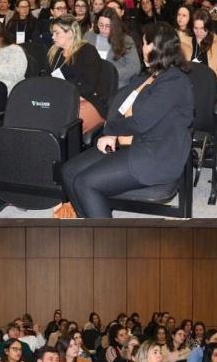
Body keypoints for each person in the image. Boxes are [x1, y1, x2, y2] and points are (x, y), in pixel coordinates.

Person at [62, 22, 194, 217]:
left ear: (155, 47)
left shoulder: (175, 81)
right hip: (131, 141)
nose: (142, 49)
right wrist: (113, 133)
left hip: (155, 153)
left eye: (144, 44)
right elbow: (120, 103)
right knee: (69, 171)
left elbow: (141, 121)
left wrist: (111, 131)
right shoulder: (150, 76)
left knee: (85, 182)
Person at [48, 14, 106, 133]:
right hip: (62, 99)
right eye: (53, 33)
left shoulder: (87, 51)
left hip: (87, 100)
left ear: (70, 33)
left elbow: (89, 87)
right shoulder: (55, 52)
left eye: (56, 33)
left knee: (57, 121)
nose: (53, 36)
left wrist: (65, 94)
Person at [84, 7, 141, 88]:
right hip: (92, 84)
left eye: (108, 26)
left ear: (115, 25)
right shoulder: (88, 36)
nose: (103, 29)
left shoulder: (126, 40)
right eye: (101, 25)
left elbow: (135, 67)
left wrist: (111, 74)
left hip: (116, 84)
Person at [191, 9, 217, 81]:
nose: (199, 32)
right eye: (196, 28)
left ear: (209, 28)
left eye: (203, 29)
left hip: (208, 83)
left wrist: (208, 76)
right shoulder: (186, 43)